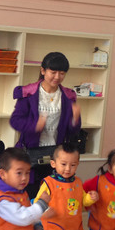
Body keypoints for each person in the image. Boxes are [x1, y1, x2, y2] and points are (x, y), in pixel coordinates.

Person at [10, 52, 81, 197]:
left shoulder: (68, 96)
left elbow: (72, 131)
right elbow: (15, 120)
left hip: (56, 156)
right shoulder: (28, 93)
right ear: (43, 71)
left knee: (54, 195)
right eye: (53, 72)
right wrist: (35, 126)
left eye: (62, 73)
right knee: (31, 195)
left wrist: (75, 119)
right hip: (31, 154)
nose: (57, 77)